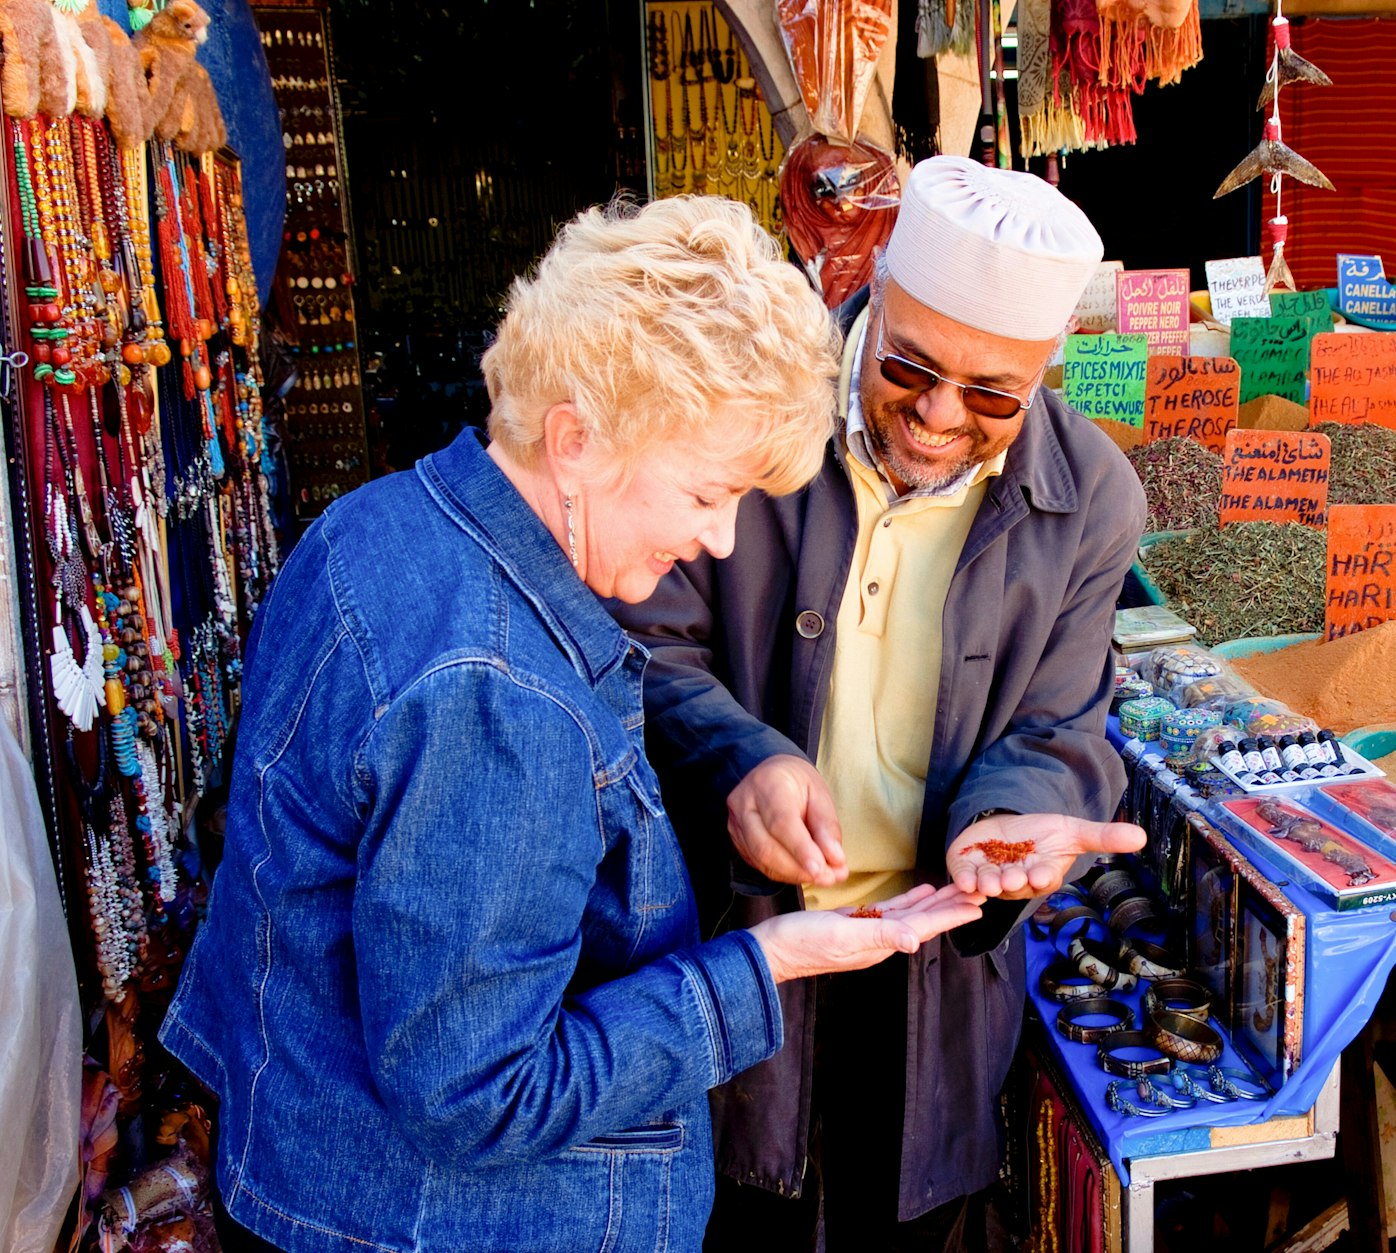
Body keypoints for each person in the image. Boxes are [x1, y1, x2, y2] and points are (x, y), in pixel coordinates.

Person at [158, 197, 986, 1253]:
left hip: (316, 1172)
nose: (720, 540)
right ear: (575, 438)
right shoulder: (498, 694)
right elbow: (477, 1095)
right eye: (705, 491)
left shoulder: (376, 518)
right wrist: (763, 963)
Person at [618, 156, 1149, 1249]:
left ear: (1045, 372)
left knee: (899, 1217)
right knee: (735, 1213)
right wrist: (738, 760)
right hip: (741, 940)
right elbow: (643, 642)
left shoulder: (1092, 497)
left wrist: (1008, 817)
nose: (940, 415)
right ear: (873, 301)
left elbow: (1058, 727)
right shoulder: (757, 409)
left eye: (993, 395)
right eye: (908, 367)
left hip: (932, 969)